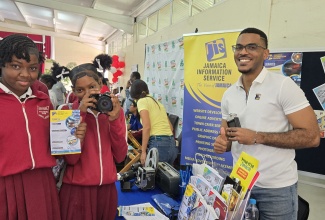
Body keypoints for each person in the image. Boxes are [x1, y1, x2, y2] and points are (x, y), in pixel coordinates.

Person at [213, 27, 320, 220]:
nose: (243, 52)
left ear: (265, 53)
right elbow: (227, 137)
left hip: (276, 189)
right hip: (239, 185)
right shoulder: (229, 94)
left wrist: (256, 137)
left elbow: (312, 137)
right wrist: (223, 143)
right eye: (239, 47)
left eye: (251, 47)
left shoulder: (283, 86)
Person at [0, 34, 86, 220]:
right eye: (16, 66)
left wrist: (73, 136)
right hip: (5, 186)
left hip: (42, 184)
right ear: (2, 65)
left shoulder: (43, 101)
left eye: (32, 68)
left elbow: (58, 149)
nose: (25, 74)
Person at [59, 63, 128, 220]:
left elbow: (120, 156)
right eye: (80, 90)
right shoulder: (65, 111)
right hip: (76, 191)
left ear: (101, 84)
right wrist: (79, 115)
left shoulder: (115, 111)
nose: (87, 94)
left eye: (92, 87)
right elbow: (70, 159)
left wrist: (114, 120)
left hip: (107, 190)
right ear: (73, 91)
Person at [130, 79, 178, 166]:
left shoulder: (142, 101)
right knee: (166, 178)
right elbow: (170, 128)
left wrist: (143, 151)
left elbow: (147, 127)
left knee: (152, 178)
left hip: (158, 144)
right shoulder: (158, 103)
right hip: (171, 144)